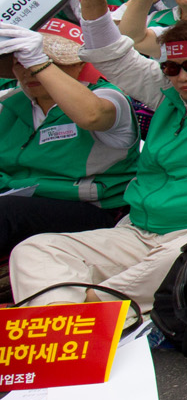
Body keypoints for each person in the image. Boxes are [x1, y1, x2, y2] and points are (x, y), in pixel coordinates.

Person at [11, 0, 187, 311]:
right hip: (139, 232)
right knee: (34, 251)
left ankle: (82, 310)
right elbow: (110, 53)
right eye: (172, 68)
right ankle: (74, 321)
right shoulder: (167, 94)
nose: (183, 77)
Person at [0, 21, 138, 283]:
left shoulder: (107, 96)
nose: (30, 72)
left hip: (94, 209)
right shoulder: (10, 103)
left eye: (46, 63)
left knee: (6, 210)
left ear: (77, 65)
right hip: (20, 202)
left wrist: (39, 63)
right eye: (20, 63)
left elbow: (92, 115)